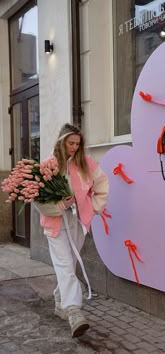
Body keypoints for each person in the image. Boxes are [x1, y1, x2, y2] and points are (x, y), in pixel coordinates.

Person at [34, 123, 109, 337]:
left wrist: (93, 208)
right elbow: (38, 201)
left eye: (78, 143)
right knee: (66, 265)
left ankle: (59, 303)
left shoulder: (86, 163)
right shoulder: (49, 165)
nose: (75, 147)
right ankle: (74, 311)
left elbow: (102, 183)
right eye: (71, 143)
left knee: (70, 264)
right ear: (62, 141)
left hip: (78, 223)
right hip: (55, 225)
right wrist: (60, 206)